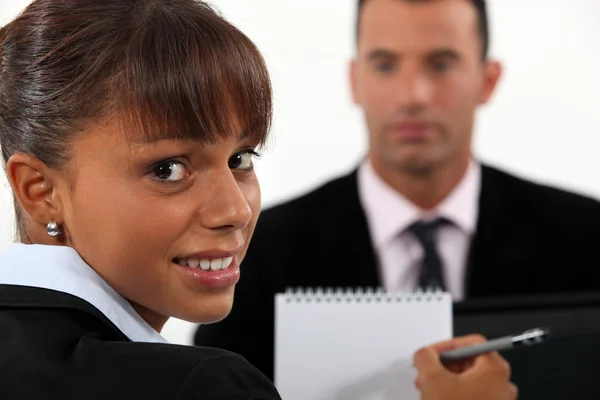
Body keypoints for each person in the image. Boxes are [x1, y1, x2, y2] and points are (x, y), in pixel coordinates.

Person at [0, 0, 517, 399]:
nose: (236, 210)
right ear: (39, 191)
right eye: (168, 169)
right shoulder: (204, 386)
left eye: (241, 158)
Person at [194, 0, 600, 386]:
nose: (413, 96)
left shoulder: (586, 237)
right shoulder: (252, 250)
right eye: (385, 64)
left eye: (441, 64)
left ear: (488, 80)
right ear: (355, 81)